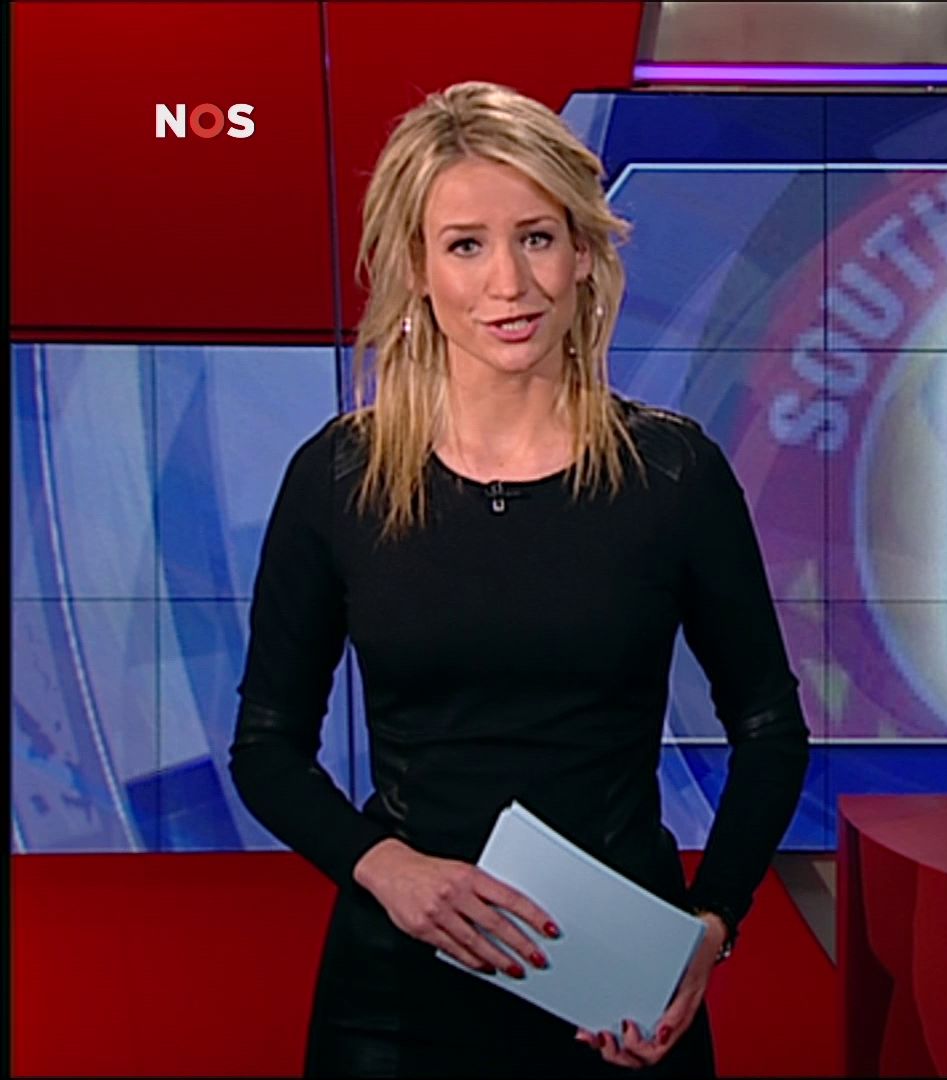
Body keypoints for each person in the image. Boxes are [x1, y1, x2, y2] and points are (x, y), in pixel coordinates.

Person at [228, 80, 811, 1078]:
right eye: (466, 245)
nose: (510, 282)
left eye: (536, 237)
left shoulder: (672, 474)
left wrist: (710, 924)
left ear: (583, 253)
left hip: (616, 999)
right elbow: (268, 747)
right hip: (397, 994)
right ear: (417, 268)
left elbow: (769, 728)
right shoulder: (339, 479)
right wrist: (388, 870)